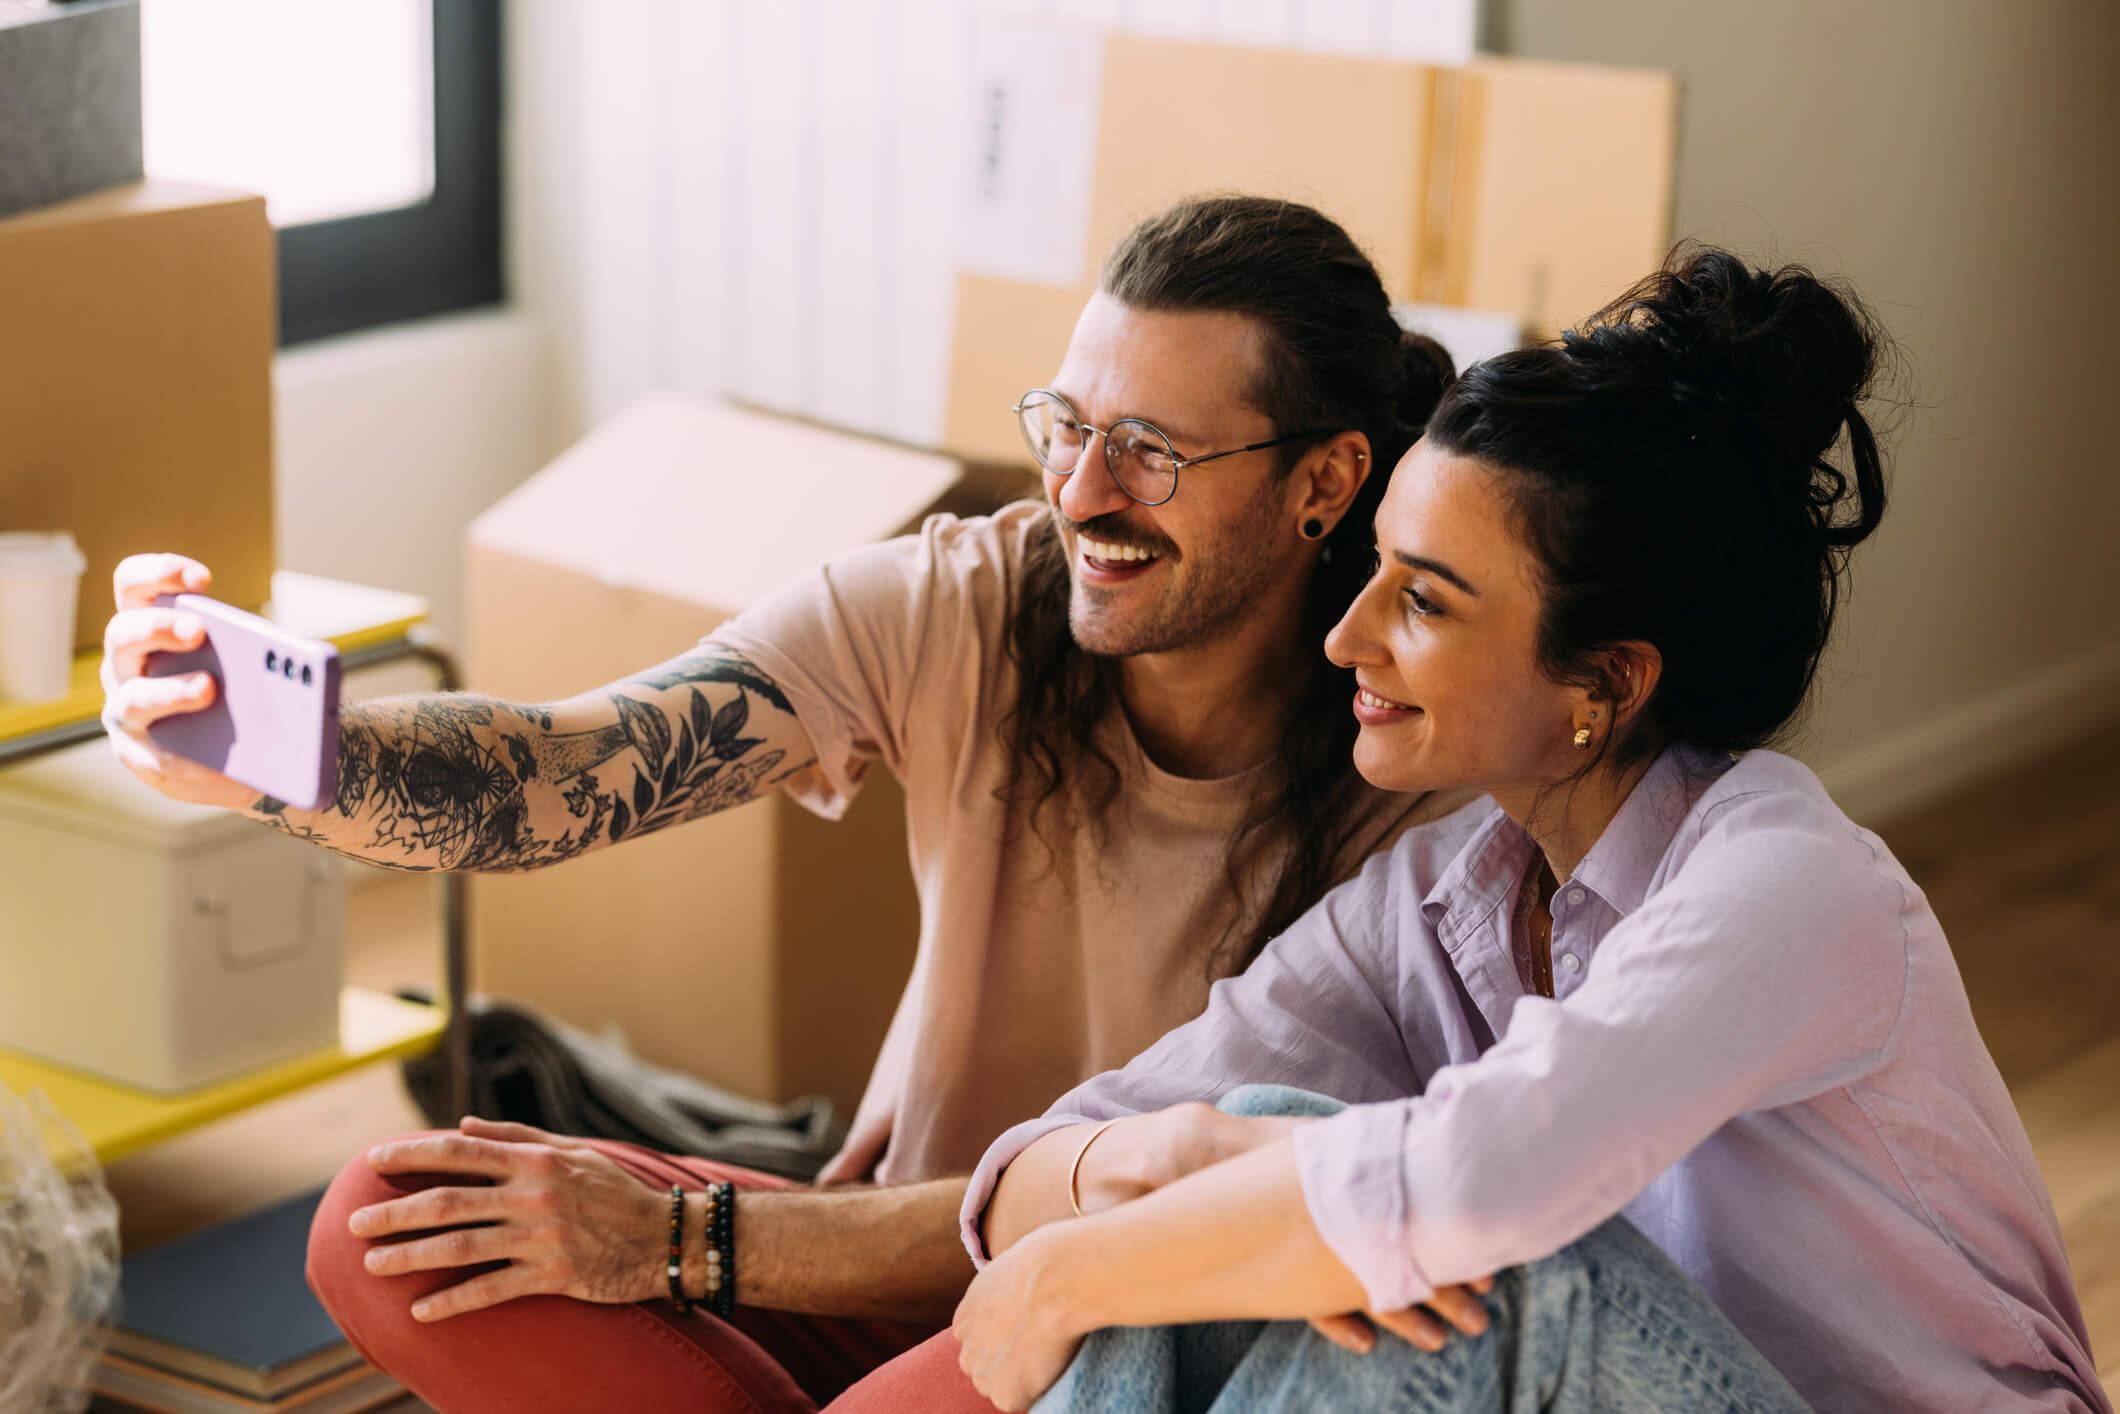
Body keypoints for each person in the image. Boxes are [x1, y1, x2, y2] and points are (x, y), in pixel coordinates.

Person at [98, 196, 1473, 1411]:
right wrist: (280, 750)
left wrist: (678, 1238)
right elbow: (568, 773)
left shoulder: (1421, 760)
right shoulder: (963, 601)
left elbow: (1194, 1201)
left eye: (1151, 451)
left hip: (1140, 1313)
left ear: (1323, 480)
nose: (1078, 490)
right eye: (1067, 426)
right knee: (392, 1216)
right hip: (872, 1243)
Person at [914, 246, 2107, 1411]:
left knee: (1494, 1269)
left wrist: (1075, 1274)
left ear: (1603, 684)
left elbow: (1481, 1184)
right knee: (1269, 1147)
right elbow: (1056, 1160)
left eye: (1423, 600)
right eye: (1373, 567)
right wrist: (1143, 1170)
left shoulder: (1789, 881)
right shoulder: (1440, 899)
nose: (1345, 636)